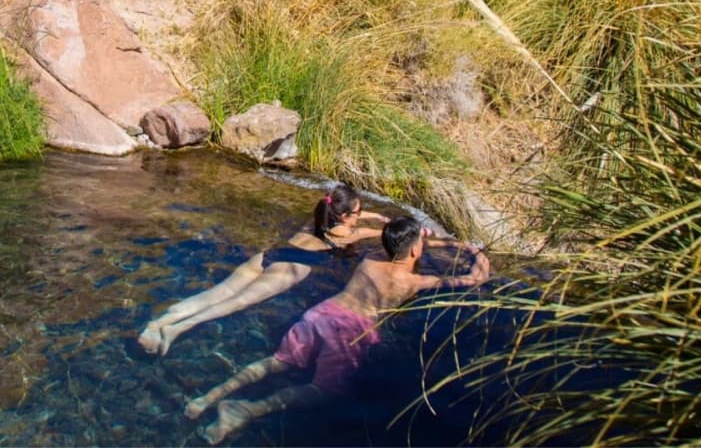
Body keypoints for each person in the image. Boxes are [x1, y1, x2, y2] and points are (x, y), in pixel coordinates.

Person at [184, 216, 490, 445]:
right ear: (414, 252)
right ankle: (246, 410)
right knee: (324, 391)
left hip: (321, 314)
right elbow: (472, 279)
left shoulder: (373, 257)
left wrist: (431, 240)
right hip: (349, 332)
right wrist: (475, 253)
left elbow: (402, 244)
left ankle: (209, 397)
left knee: (275, 362)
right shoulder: (409, 281)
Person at [137, 183, 390, 356]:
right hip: (293, 266)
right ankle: (176, 329)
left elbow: (347, 212)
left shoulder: (317, 216)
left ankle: (158, 323)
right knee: (237, 302)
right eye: (357, 212)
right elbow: (384, 235)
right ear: (344, 216)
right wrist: (383, 223)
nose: (360, 215)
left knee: (219, 292)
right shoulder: (347, 232)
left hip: (271, 254)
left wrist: (371, 214)